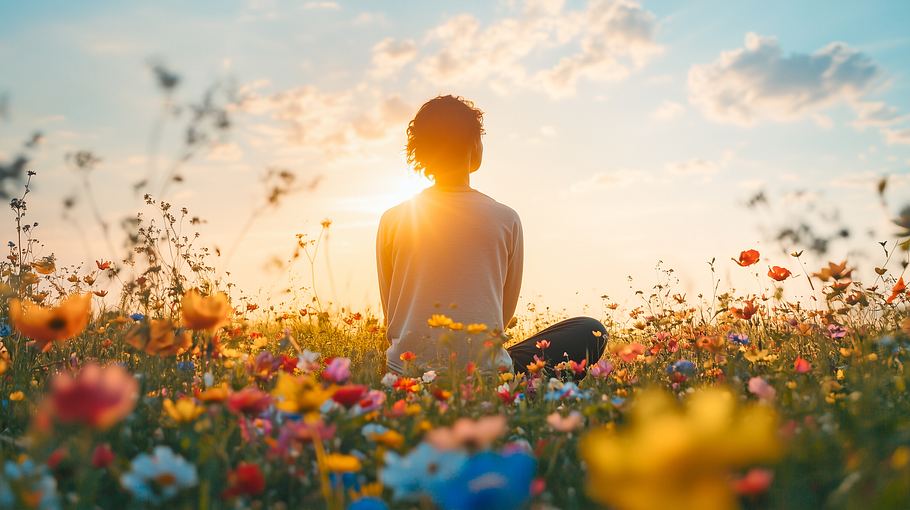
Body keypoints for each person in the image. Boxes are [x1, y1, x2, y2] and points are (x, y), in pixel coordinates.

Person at [376, 95, 606, 375]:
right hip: (485, 374)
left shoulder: (394, 219)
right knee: (591, 330)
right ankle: (530, 392)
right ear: (474, 145)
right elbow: (503, 315)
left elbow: (393, 312)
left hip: (408, 373)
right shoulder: (505, 218)